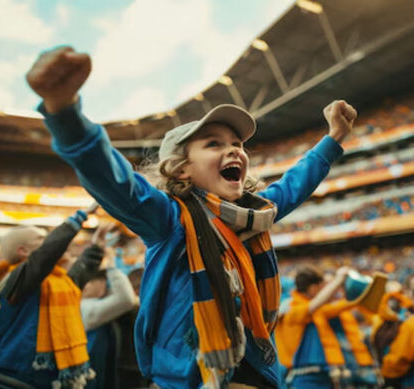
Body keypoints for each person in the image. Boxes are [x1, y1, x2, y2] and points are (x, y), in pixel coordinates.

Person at [26, 46, 356, 388]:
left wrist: (333, 139)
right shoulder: (167, 220)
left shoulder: (254, 214)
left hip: (254, 373)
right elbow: (115, 180)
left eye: (237, 143)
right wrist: (64, 113)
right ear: (181, 170)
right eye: (213, 144)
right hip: (186, 378)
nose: (234, 150)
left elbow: (294, 185)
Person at [0, 206, 105, 388]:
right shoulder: (17, 278)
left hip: (43, 379)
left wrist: (96, 249)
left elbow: (77, 277)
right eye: (41, 238)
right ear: (23, 251)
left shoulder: (58, 282)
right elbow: (44, 256)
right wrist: (75, 222)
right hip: (15, 377)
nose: (49, 240)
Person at [275, 265, 378, 388]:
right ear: (313, 288)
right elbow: (316, 303)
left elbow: (338, 306)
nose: (325, 290)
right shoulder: (292, 311)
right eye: (322, 286)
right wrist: (338, 280)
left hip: (322, 373)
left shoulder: (317, 311)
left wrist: (359, 297)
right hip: (304, 377)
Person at [80, 223, 139, 389]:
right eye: (98, 281)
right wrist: (111, 264)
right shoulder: (85, 308)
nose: (104, 286)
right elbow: (125, 299)